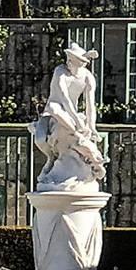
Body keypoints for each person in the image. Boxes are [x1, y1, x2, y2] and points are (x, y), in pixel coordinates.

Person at [30, 43, 104, 190]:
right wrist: (78, 122)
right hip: (53, 111)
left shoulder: (88, 78)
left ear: (81, 63)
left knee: (80, 131)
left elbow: (90, 106)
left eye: (71, 59)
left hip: (71, 114)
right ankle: (52, 157)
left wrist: (91, 126)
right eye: (68, 59)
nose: (68, 62)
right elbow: (64, 99)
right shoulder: (60, 72)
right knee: (40, 137)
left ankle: (93, 160)